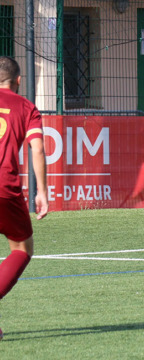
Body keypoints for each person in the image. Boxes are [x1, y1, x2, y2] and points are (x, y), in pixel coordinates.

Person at [0, 56, 48, 304]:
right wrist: (42, 191)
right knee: (21, 250)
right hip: (4, 189)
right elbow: (37, 149)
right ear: (18, 81)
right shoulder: (26, 107)